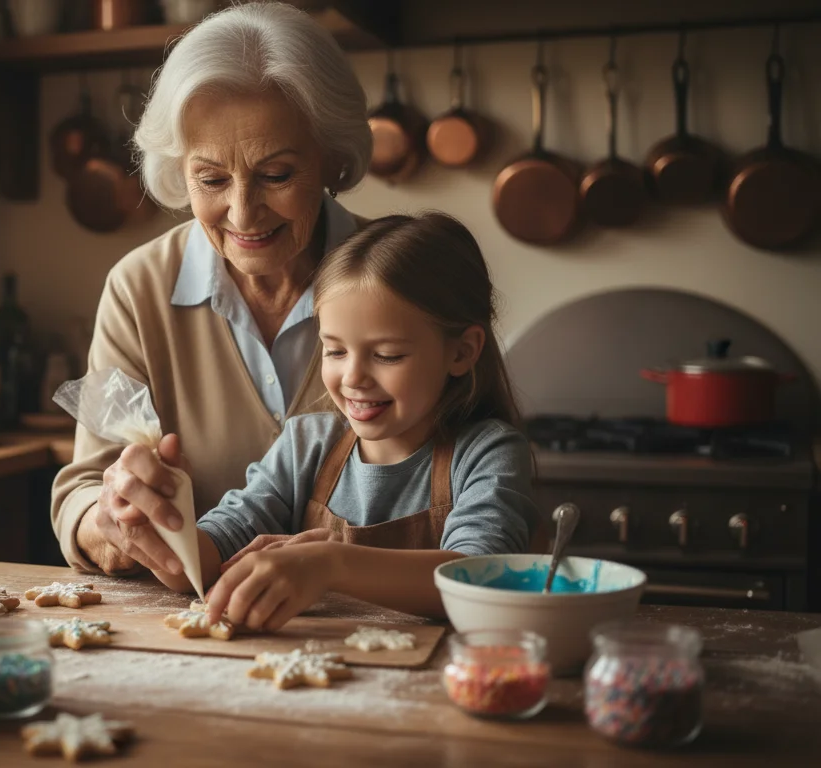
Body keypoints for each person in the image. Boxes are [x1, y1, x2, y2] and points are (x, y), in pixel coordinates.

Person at [51, 2, 373, 576]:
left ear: (332, 156)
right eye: (211, 179)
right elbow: (81, 488)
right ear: (181, 173)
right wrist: (111, 521)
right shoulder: (140, 287)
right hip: (199, 626)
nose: (244, 214)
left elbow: (479, 487)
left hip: (379, 634)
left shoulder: (405, 277)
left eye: (276, 175)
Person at [151, 213, 539, 626]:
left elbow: (477, 581)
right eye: (335, 351)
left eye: (387, 355)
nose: (353, 378)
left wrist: (331, 564)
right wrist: (160, 522)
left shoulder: (488, 454)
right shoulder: (306, 445)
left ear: (461, 352)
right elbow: (207, 554)